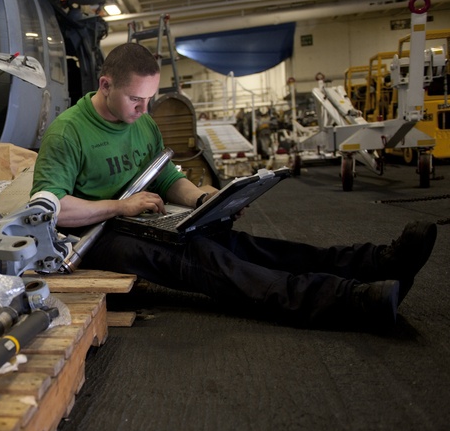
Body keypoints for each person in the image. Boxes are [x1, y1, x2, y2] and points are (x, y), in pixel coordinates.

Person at [32, 42, 437, 329]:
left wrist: (205, 198)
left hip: (137, 218)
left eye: (150, 99)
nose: (144, 109)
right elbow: (53, 211)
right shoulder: (68, 133)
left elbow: (167, 177)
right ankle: (347, 302)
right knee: (205, 258)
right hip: (95, 235)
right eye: (137, 100)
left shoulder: (143, 124)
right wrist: (121, 207)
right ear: (105, 85)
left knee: (242, 245)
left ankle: (375, 263)